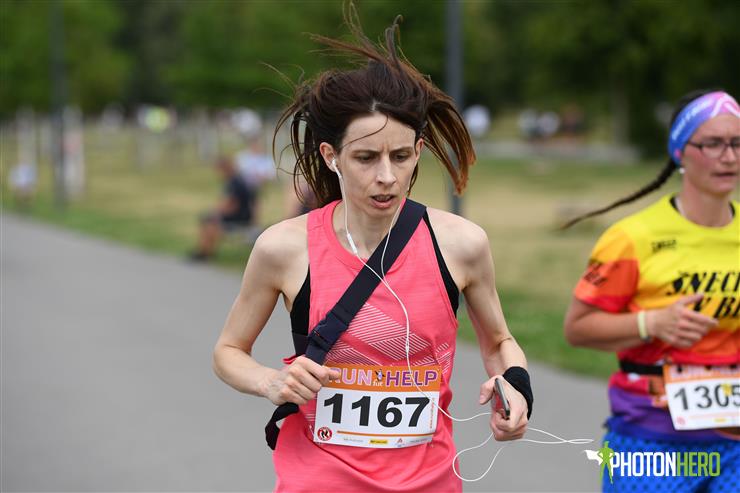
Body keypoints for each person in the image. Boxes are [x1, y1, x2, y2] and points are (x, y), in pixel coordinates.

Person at [212, 12, 533, 493]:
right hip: (319, 482)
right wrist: (270, 383)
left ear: (418, 151)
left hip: (430, 483)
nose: (386, 177)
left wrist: (516, 385)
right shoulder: (284, 248)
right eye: (365, 158)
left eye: (400, 157)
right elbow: (228, 352)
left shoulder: (462, 244)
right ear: (331, 156)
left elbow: (499, 342)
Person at [563, 90, 740, 492]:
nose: (729, 157)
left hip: (734, 442)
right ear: (680, 151)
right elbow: (577, 329)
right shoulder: (633, 237)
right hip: (649, 438)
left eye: (736, 143)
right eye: (713, 143)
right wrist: (652, 323)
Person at [189, 156, 256, 261]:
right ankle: (204, 250)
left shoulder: (235, 182)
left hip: (240, 217)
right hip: (241, 214)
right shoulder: (236, 180)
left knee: (211, 221)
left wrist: (217, 214)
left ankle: (206, 252)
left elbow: (232, 204)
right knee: (208, 219)